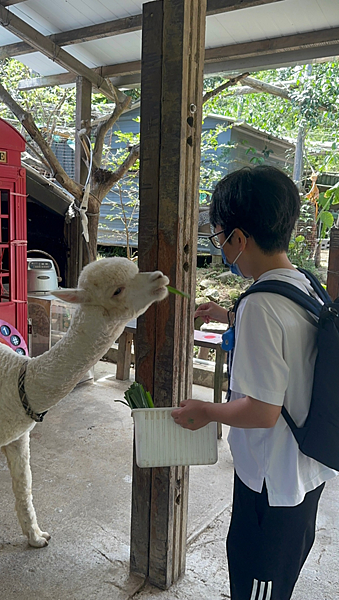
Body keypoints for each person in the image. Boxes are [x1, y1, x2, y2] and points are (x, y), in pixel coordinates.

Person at [171, 165, 337, 600]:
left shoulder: (261, 305)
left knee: (256, 586)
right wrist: (228, 317)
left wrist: (203, 411)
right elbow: (292, 345)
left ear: (238, 239)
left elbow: (261, 413)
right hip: (305, 471)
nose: (222, 247)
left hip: (272, 484)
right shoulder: (304, 283)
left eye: (220, 236)